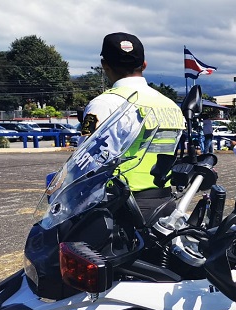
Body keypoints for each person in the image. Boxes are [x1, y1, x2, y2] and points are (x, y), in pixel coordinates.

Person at [79, 32, 184, 223]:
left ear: (104, 65)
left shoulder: (105, 104)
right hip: (164, 202)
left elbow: (85, 162)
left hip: (120, 208)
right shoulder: (170, 105)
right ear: (144, 64)